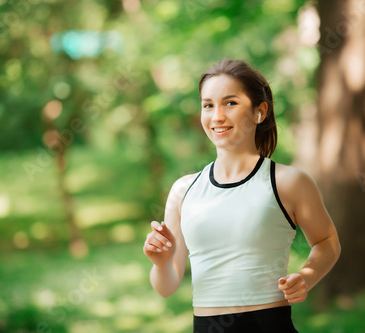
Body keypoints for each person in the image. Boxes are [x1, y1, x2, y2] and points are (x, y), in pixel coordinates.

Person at [143, 59, 341, 333]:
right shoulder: (183, 190)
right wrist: (162, 263)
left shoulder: (288, 182)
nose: (217, 116)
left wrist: (306, 277)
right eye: (208, 105)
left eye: (230, 103)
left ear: (259, 112)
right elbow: (166, 287)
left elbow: (327, 241)